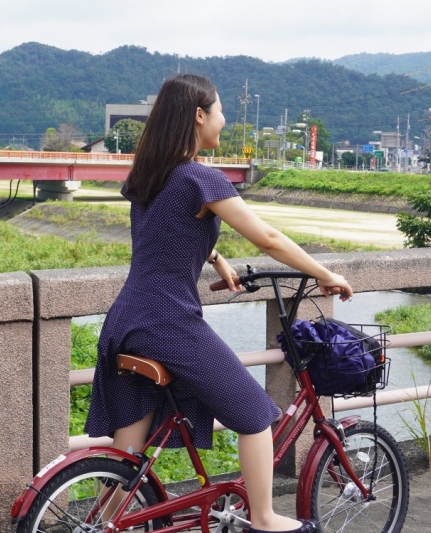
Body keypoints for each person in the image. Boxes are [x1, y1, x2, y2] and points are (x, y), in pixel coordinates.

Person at [85, 73, 353, 533]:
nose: (225, 120)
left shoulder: (152, 175)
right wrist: (325, 274)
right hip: (167, 321)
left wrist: (214, 254)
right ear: (199, 115)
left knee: (127, 458)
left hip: (127, 318)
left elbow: (163, 234)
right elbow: (267, 238)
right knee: (255, 415)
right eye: (222, 111)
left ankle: (100, 525)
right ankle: (265, 518)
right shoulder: (201, 178)